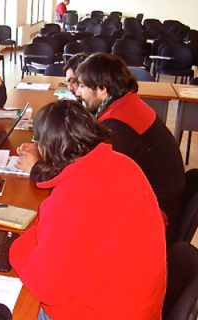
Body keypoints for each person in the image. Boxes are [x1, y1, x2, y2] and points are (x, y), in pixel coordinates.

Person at [11, 100, 166, 319]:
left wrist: (15, 245)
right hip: (138, 305)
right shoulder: (124, 164)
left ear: (46, 147)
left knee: (15, 303)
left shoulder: (69, 200)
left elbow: (48, 288)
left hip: (102, 312)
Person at [74, 53, 185, 241]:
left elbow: (95, 179)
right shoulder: (126, 104)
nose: (78, 92)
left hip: (154, 220)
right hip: (160, 201)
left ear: (102, 89)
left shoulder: (118, 126)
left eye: (83, 86)